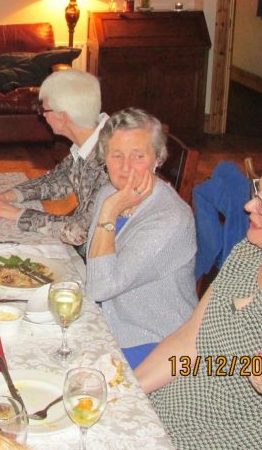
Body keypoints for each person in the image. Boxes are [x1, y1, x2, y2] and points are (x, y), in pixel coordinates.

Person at [136, 141, 262, 449]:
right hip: (165, 416)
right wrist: (127, 391)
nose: (249, 206)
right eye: (257, 192)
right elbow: (189, 341)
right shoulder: (251, 252)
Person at [85, 108, 197, 368]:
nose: (126, 167)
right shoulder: (108, 194)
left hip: (153, 341)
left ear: (158, 158)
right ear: (104, 158)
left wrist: (110, 211)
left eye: (138, 156)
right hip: (106, 323)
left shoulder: (171, 219)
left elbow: (100, 287)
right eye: (117, 155)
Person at [0, 70, 110, 255]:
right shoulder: (91, 141)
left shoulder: (112, 160)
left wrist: (16, 214)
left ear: (63, 116)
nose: (42, 116)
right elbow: (57, 180)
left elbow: (79, 232)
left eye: (44, 110)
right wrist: (6, 196)